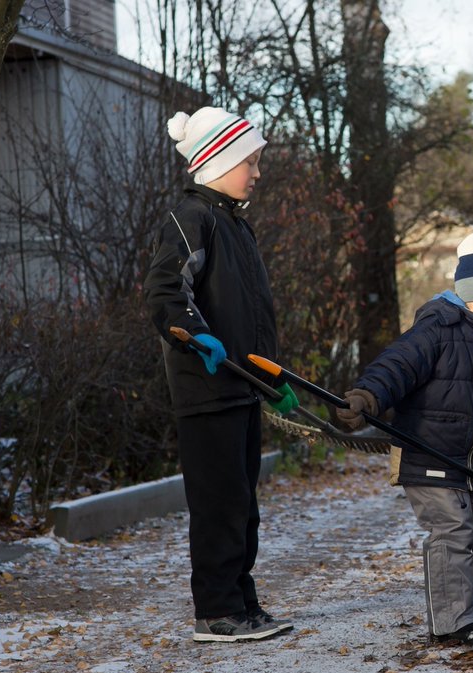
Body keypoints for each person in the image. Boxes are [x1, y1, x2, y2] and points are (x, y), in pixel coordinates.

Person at [335, 227, 473, 645]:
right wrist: (367, 396)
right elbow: (396, 367)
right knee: (452, 534)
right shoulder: (435, 330)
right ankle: (453, 622)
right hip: (430, 462)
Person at [144, 106, 300, 642]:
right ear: (218, 160)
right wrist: (193, 332)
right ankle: (215, 610)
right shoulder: (194, 218)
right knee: (218, 504)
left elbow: (251, 313)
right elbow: (166, 290)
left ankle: (241, 602)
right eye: (249, 161)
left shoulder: (235, 223)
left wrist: (270, 376)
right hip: (206, 387)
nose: (257, 172)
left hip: (240, 386)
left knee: (243, 503)